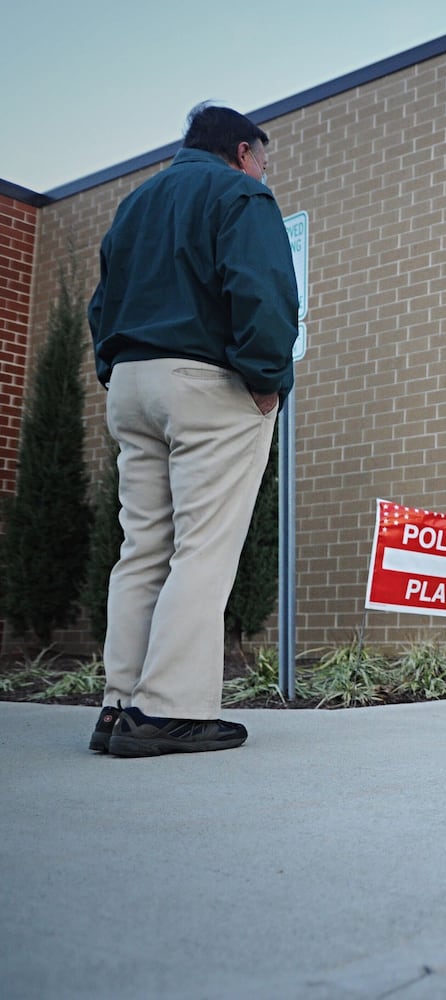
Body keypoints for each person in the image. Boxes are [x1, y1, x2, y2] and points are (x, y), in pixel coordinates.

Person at [86, 103, 298, 756]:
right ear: (241, 151)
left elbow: (103, 302)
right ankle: (170, 710)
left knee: (142, 548)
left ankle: (119, 707)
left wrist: (113, 369)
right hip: (207, 383)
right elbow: (259, 289)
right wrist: (267, 377)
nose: (265, 172)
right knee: (202, 549)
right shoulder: (240, 193)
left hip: (131, 382)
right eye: (263, 158)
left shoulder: (135, 205)